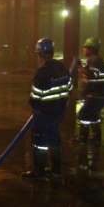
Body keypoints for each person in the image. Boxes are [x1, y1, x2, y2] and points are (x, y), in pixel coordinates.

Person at [23, 38, 72, 180]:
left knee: (40, 144)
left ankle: (40, 173)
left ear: (41, 54)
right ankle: (56, 171)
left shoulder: (42, 73)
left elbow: (35, 97)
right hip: (59, 113)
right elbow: (70, 87)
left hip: (43, 114)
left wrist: (35, 106)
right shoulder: (62, 68)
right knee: (55, 140)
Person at [77, 37, 104, 145]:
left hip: (95, 95)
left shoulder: (93, 60)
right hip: (101, 95)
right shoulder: (97, 60)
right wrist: (82, 68)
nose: (83, 50)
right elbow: (92, 74)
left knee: (83, 116)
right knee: (94, 116)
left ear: (91, 49)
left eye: (85, 48)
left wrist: (80, 69)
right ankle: (96, 140)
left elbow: (91, 76)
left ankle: (83, 141)